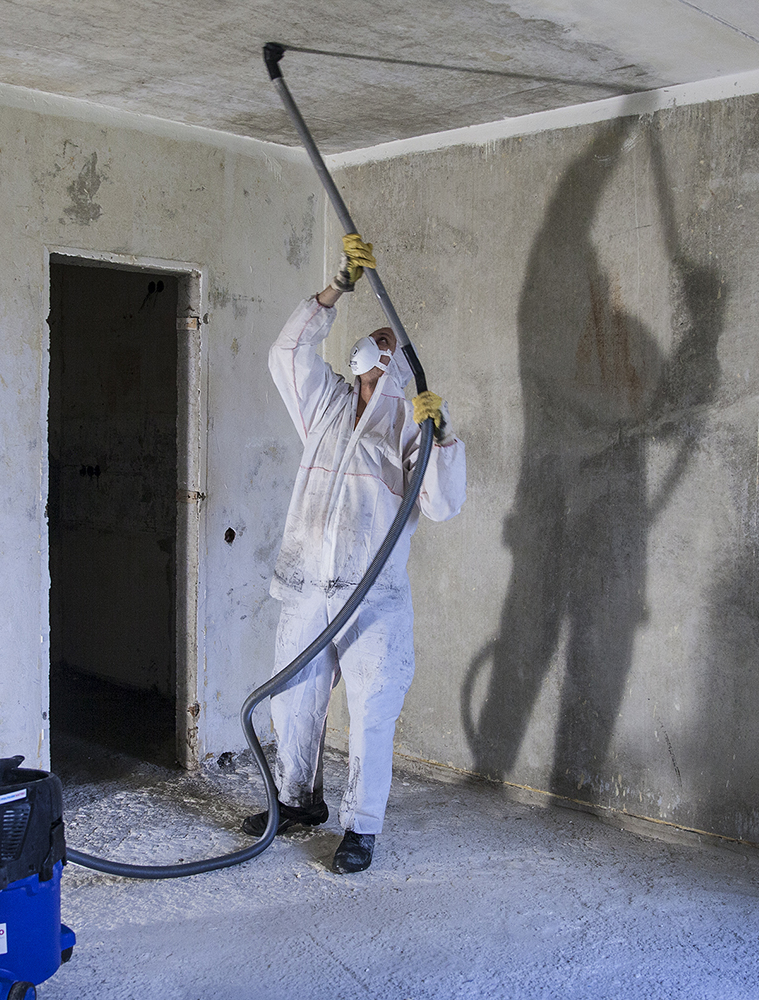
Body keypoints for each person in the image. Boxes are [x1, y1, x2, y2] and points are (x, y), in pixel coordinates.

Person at [246, 235, 466, 873]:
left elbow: (443, 504)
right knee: (294, 698)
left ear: (395, 370)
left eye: (386, 348)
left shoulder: (409, 428)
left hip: (373, 597)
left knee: (371, 710)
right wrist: (336, 288)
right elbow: (286, 353)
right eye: (372, 343)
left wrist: (441, 435)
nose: (376, 347)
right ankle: (296, 801)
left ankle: (361, 828)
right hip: (307, 585)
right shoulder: (326, 405)